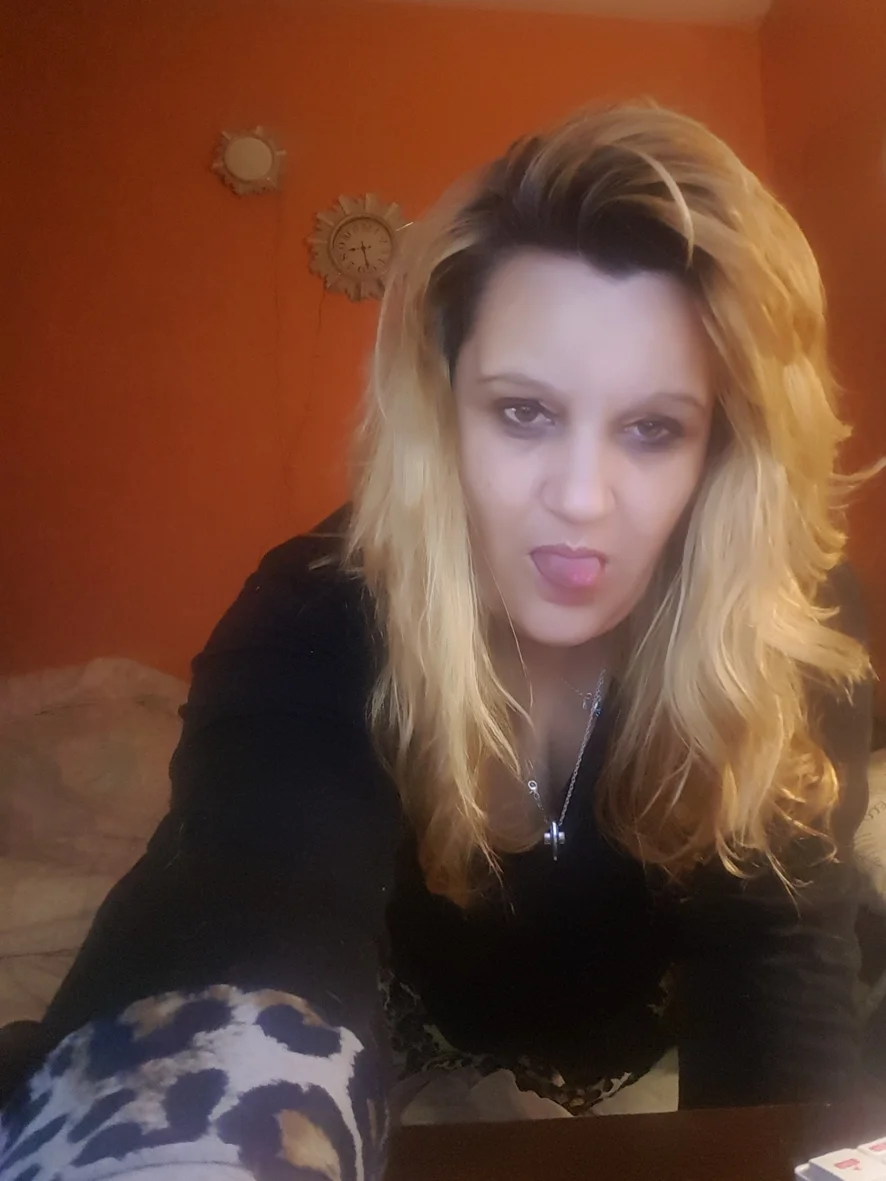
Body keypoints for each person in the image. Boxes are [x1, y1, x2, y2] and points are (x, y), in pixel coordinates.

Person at [0, 103, 874, 1181]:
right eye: (523, 412)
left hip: (648, 1033)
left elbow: (776, 958)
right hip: (399, 1016)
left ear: (722, 450)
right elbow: (252, 879)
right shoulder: (322, 605)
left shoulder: (787, 617)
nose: (582, 498)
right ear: (443, 407)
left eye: (654, 428)